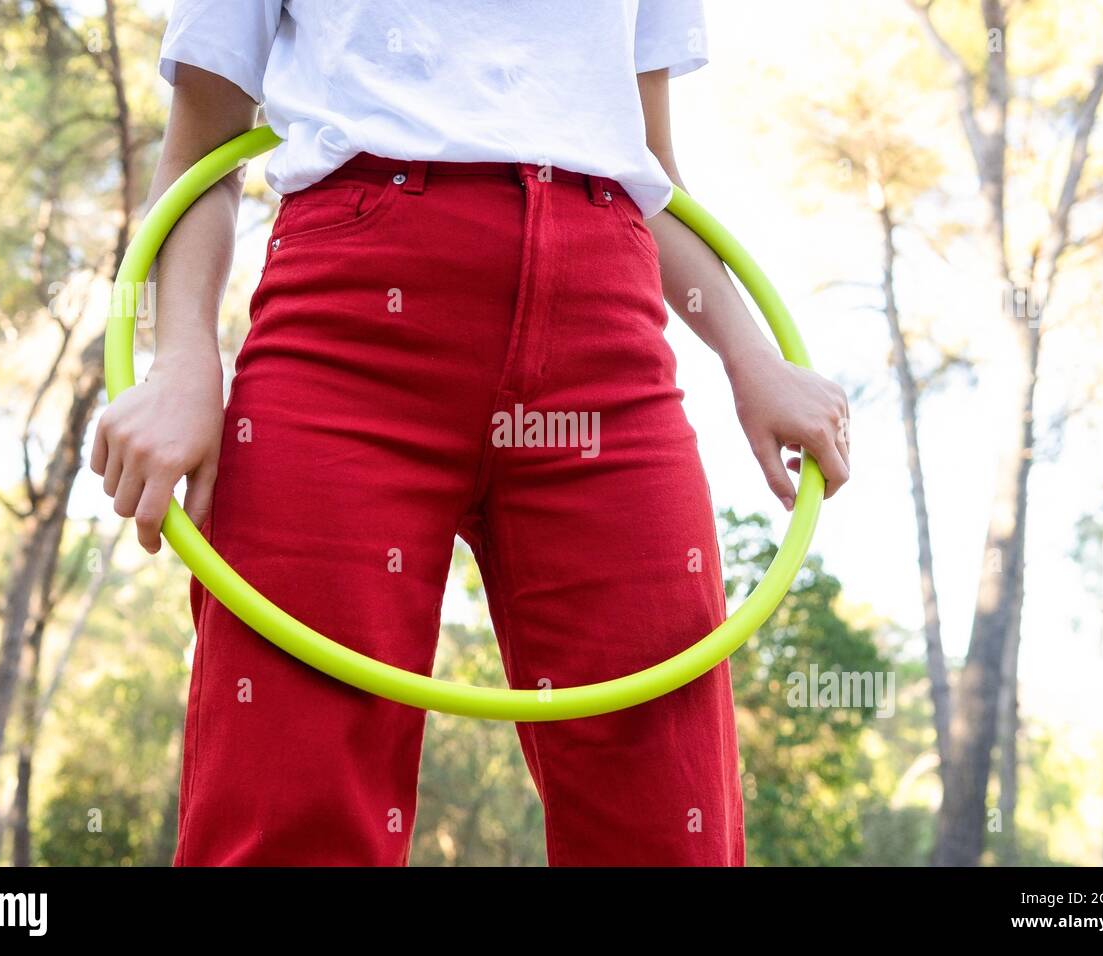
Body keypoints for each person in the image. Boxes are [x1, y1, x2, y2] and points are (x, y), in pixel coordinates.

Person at [92, 0, 850, 866]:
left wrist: (751, 357)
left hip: (607, 338)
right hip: (348, 335)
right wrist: (183, 360)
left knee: (665, 814)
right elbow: (200, 155)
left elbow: (648, 167)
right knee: (292, 800)